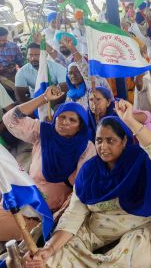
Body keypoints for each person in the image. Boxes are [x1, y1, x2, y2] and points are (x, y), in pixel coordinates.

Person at [24, 100, 151, 268]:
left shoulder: (138, 160)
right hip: (97, 227)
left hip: (140, 226)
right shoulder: (89, 170)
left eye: (111, 140)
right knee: (52, 259)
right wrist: (50, 249)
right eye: (99, 140)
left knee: (135, 261)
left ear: (124, 141)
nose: (103, 147)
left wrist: (130, 120)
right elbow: (74, 213)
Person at [1, 86, 95, 241]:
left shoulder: (86, 148)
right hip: (25, 194)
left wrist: (56, 218)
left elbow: (80, 189)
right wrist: (43, 98)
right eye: (61, 117)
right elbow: (11, 119)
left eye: (72, 120)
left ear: (80, 126)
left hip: (48, 211)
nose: (65, 122)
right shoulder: (43, 132)